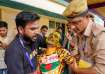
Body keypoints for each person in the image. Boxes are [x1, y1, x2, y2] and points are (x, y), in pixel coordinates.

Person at [63, 0, 105, 74]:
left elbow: (101, 71)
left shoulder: (100, 35)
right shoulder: (79, 32)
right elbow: (81, 55)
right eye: (69, 22)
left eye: (76, 22)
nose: (72, 27)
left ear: (87, 16)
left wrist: (76, 70)